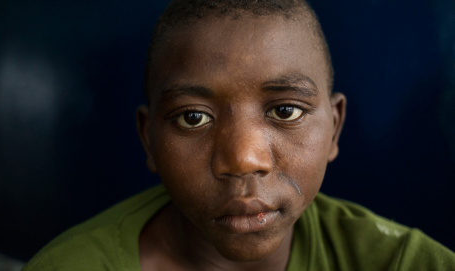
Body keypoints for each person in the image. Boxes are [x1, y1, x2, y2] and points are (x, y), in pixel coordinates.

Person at [22, 0, 455, 270]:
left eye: (285, 110)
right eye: (193, 118)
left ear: (335, 127)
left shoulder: (402, 263)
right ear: (148, 138)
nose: (244, 158)